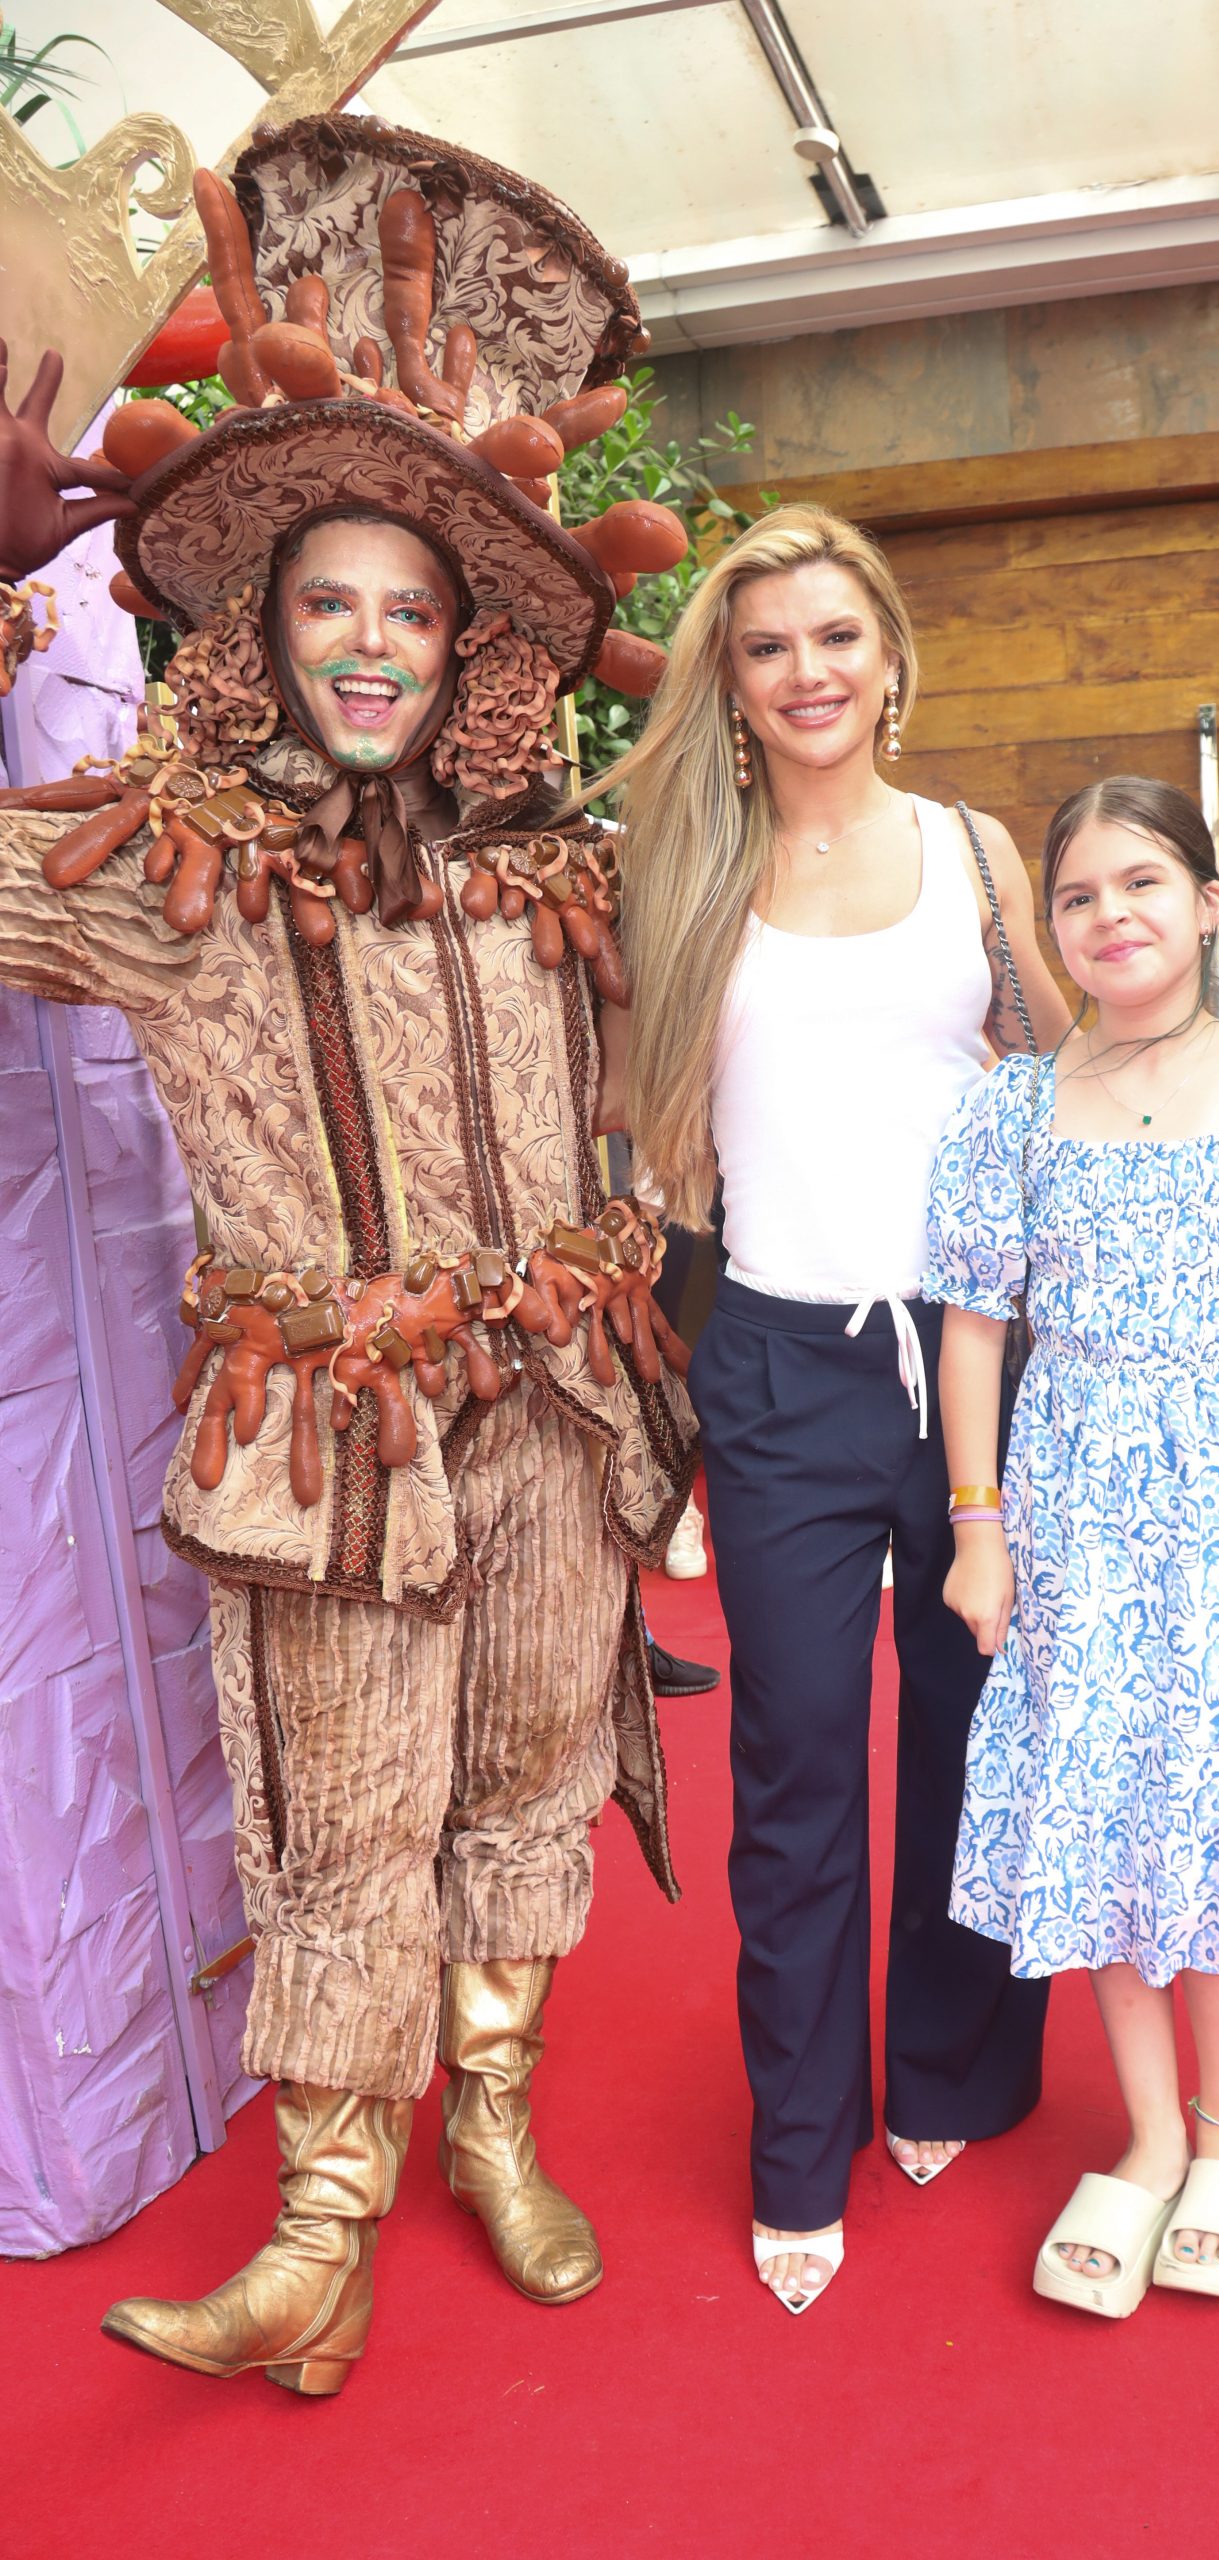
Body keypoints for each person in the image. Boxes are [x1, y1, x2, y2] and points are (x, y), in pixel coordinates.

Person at [0, 116, 696, 2391]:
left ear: (468, 633)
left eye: (414, 603)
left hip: (562, 1421)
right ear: (269, 628)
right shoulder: (164, 857)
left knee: (518, 1793)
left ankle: (490, 2113)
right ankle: (325, 2222)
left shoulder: (554, 862)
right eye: (330, 602)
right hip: (331, 1445)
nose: (373, 642)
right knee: (340, 1827)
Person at [617, 508, 1219, 2309]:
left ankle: (954, 2072)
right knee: (789, 1768)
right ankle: (799, 2152)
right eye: (769, 645)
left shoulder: (969, 848)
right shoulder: (685, 862)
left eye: (836, 636)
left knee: (976, 1734)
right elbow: (643, 1109)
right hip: (778, 1354)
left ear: (887, 655)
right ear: (733, 675)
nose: (807, 673)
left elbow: (1068, 1038)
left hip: (971, 1361)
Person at [925, 777, 1219, 2316]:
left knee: (1217, 1822)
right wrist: (976, 1531)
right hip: (1072, 1503)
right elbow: (974, 1333)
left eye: (1141, 883)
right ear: (1050, 931)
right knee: (1098, 1817)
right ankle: (1137, 2142)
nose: (1108, 915)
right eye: (1074, 896)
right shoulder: (1008, 1107)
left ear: (1204, 906)